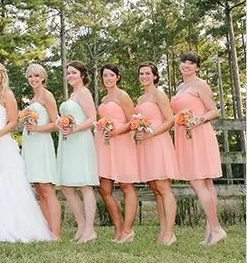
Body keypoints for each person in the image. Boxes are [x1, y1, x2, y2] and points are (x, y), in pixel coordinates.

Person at [0, 62, 54, 242]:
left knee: (5, 185)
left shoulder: (8, 95)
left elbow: (12, 123)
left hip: (2, 143)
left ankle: (12, 227)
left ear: (2, 76)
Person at [170, 51, 227, 246]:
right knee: (206, 183)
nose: (186, 65)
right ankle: (210, 234)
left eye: (190, 63)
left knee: (197, 182)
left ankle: (217, 228)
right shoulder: (180, 87)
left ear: (197, 67)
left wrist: (198, 119)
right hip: (184, 136)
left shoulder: (200, 85)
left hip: (199, 134)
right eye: (183, 62)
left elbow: (214, 111)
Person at [134, 62, 178, 246]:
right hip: (145, 145)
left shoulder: (159, 95)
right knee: (155, 188)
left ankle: (170, 233)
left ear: (154, 76)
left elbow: (170, 121)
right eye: (141, 74)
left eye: (147, 73)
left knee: (164, 187)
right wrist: (138, 132)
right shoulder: (140, 99)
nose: (144, 76)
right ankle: (163, 230)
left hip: (158, 143)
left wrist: (151, 133)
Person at [96, 63, 139, 243]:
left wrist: (116, 131)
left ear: (118, 77)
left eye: (111, 75)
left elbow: (134, 121)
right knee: (104, 189)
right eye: (105, 76)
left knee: (126, 186)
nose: (108, 79)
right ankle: (119, 227)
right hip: (105, 145)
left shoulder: (123, 96)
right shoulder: (104, 100)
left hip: (121, 143)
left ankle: (128, 230)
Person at [57, 61, 99, 244]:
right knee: (66, 186)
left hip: (80, 141)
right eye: (68, 73)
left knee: (84, 185)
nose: (70, 76)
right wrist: (61, 123)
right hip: (68, 142)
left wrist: (74, 129)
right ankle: (81, 225)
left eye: (74, 72)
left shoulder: (84, 93)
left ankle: (90, 230)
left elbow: (92, 119)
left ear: (82, 75)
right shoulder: (73, 94)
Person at [21, 64, 61, 238]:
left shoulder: (47, 95)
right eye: (30, 76)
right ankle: (46, 232)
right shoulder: (33, 98)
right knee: (39, 188)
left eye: (36, 76)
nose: (33, 79)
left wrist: (37, 129)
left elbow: (56, 124)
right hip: (30, 144)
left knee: (47, 188)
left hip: (41, 144)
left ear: (43, 77)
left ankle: (56, 234)